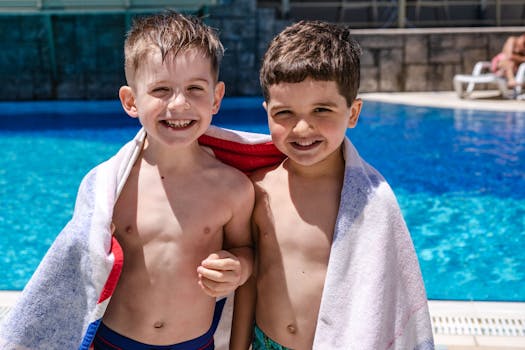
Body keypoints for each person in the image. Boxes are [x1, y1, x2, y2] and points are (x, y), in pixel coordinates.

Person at [0, 11, 254, 350]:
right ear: (131, 101)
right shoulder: (110, 186)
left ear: (216, 98)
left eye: (195, 88)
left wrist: (241, 266)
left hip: (195, 344)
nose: (179, 104)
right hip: (113, 342)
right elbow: (78, 266)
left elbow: (247, 250)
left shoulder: (233, 189)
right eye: (162, 89)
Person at [231, 20, 434, 350]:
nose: (302, 127)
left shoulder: (372, 203)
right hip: (265, 343)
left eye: (321, 109)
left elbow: (384, 297)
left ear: (353, 113)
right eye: (284, 113)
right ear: (266, 112)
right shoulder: (257, 190)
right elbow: (250, 283)